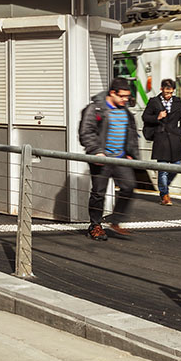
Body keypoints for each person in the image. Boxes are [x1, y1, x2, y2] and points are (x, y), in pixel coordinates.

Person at [79, 77, 139, 241]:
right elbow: (86, 132)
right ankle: (95, 226)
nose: (125, 99)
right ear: (112, 93)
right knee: (99, 193)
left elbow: (131, 134)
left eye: (127, 96)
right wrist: (96, 151)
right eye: (122, 96)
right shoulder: (95, 108)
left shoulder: (125, 111)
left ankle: (115, 221)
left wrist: (130, 154)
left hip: (120, 159)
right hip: (102, 159)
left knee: (129, 187)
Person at [142, 78, 181, 206]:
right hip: (160, 138)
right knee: (162, 169)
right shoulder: (154, 102)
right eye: (166, 92)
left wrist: (180, 129)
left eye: (170, 93)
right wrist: (158, 117)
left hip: (174, 138)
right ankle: (164, 195)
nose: (168, 95)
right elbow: (145, 117)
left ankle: (164, 186)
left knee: (177, 165)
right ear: (161, 89)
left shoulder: (177, 102)